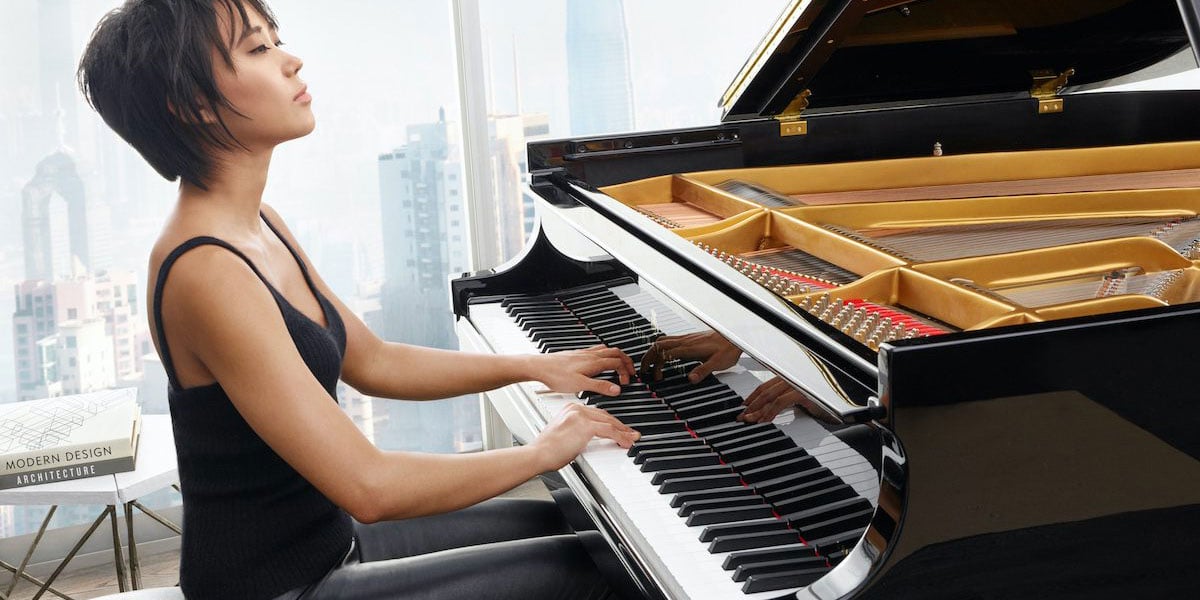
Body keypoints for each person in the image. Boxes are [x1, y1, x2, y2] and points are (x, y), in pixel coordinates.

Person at [77, 1, 641, 598]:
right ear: (188, 103)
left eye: (277, 40)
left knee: (592, 531)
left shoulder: (258, 223)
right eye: (258, 49)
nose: (292, 61)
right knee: (606, 573)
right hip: (281, 586)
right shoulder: (206, 269)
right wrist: (546, 450)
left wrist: (531, 365)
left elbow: (373, 360)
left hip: (328, 542)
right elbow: (370, 486)